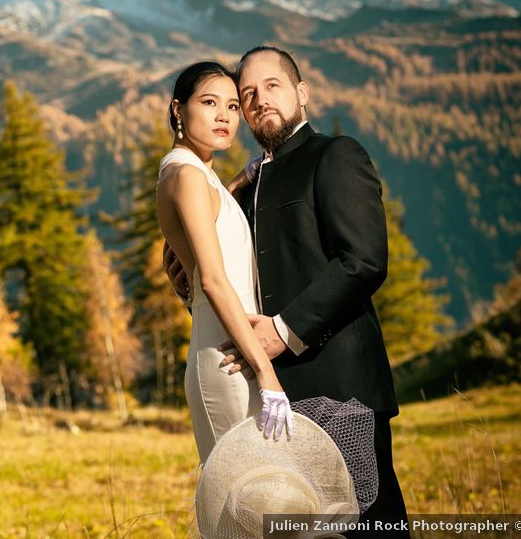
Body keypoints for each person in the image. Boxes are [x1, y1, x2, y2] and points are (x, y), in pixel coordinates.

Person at [165, 46, 409, 537]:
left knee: (369, 524)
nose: (257, 101)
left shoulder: (335, 155)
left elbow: (363, 262)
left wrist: (282, 331)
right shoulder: (251, 181)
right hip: (270, 394)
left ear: (303, 93)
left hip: (337, 384)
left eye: (271, 86)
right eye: (246, 94)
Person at [155, 61, 295, 474]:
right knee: (247, 511)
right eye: (209, 102)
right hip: (230, 365)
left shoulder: (199, 175)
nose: (224, 116)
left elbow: (211, 212)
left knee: (265, 507)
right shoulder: (187, 177)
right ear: (178, 110)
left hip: (238, 354)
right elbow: (215, 282)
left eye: (233, 106)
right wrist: (266, 373)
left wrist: (243, 177)